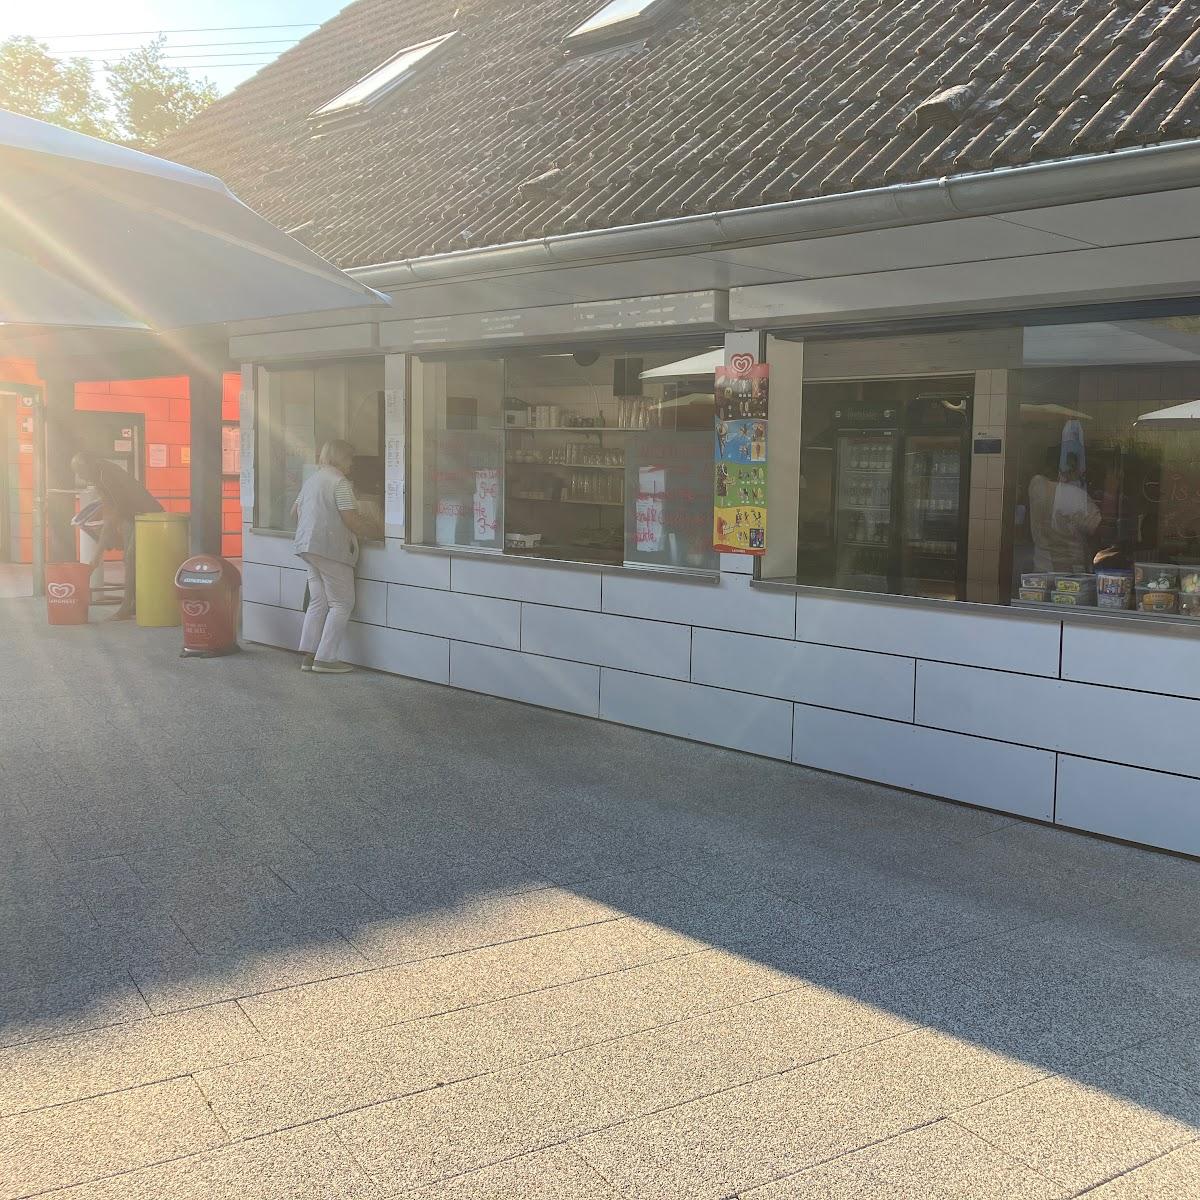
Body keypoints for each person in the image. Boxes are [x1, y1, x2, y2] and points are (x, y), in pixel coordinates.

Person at [292, 440, 375, 674]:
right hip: (330, 549)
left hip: (308, 547)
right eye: (350, 458)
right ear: (341, 458)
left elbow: (294, 512)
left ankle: (308, 655)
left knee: (318, 601)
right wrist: (375, 531)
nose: (352, 464)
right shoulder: (339, 482)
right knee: (342, 603)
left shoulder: (312, 480)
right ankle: (326, 658)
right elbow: (351, 519)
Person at [70, 451, 163, 621]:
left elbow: (114, 514)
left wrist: (97, 554)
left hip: (147, 516)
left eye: (81, 472)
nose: (81, 477)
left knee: (131, 557)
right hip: (131, 516)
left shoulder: (106, 476)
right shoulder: (98, 476)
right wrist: (97, 555)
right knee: (128, 559)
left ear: (89, 465)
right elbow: (109, 512)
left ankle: (126, 607)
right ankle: (134, 603)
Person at [1028, 446, 1101, 572]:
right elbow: (1098, 528)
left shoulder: (1036, 486)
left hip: (1041, 568)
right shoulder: (1075, 495)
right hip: (1071, 572)